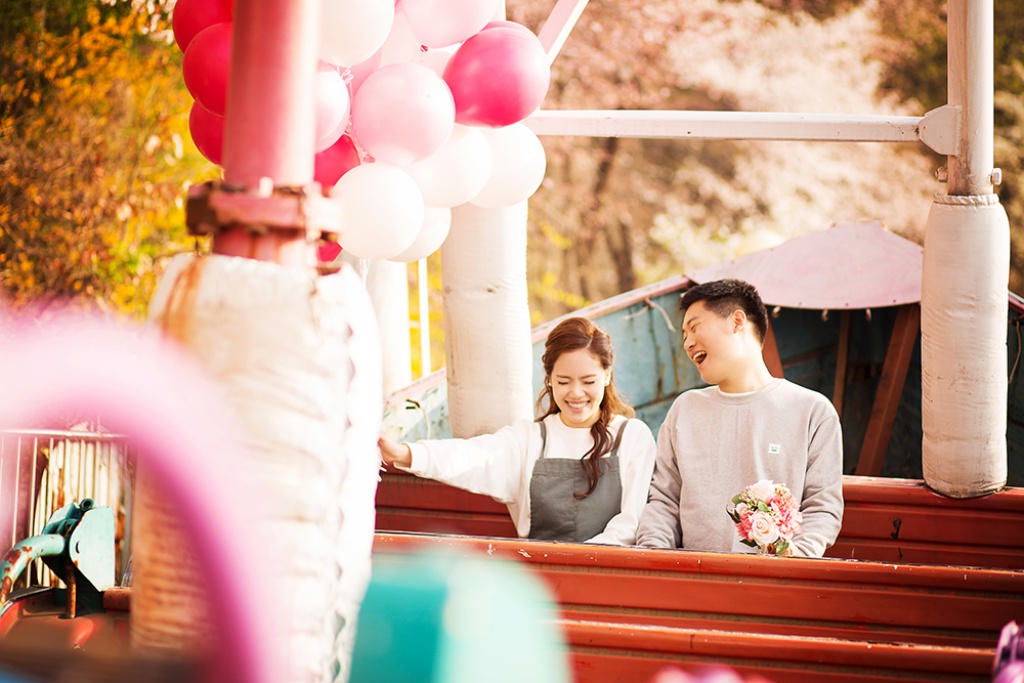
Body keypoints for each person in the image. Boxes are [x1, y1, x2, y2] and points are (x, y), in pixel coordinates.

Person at [378, 316, 657, 545]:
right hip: (540, 579)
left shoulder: (632, 437)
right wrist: (404, 453)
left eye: (588, 381)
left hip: (612, 575)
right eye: (563, 382)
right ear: (548, 380)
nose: (576, 393)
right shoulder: (529, 440)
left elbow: (631, 523)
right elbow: (471, 455)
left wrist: (584, 559)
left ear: (607, 375)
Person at [635, 278, 843, 557]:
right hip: (691, 583)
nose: (687, 343)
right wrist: (653, 558)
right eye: (684, 335)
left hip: (775, 585)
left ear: (737, 322)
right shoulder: (684, 410)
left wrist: (795, 561)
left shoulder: (813, 411)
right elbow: (664, 501)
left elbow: (822, 508)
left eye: (694, 327)